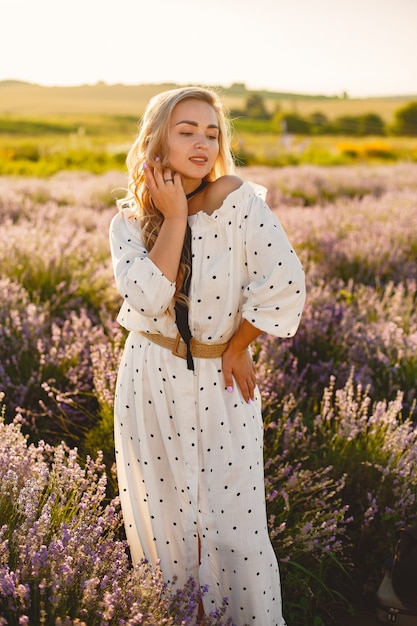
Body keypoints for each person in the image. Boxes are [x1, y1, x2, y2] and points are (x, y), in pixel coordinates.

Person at [109, 86, 305, 626]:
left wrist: (240, 344)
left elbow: (287, 282)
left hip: (222, 378)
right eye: (186, 130)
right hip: (150, 378)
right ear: (157, 140)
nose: (201, 143)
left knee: (234, 529)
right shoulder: (128, 221)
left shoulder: (240, 202)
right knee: (166, 525)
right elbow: (148, 297)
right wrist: (173, 218)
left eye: (211, 133)